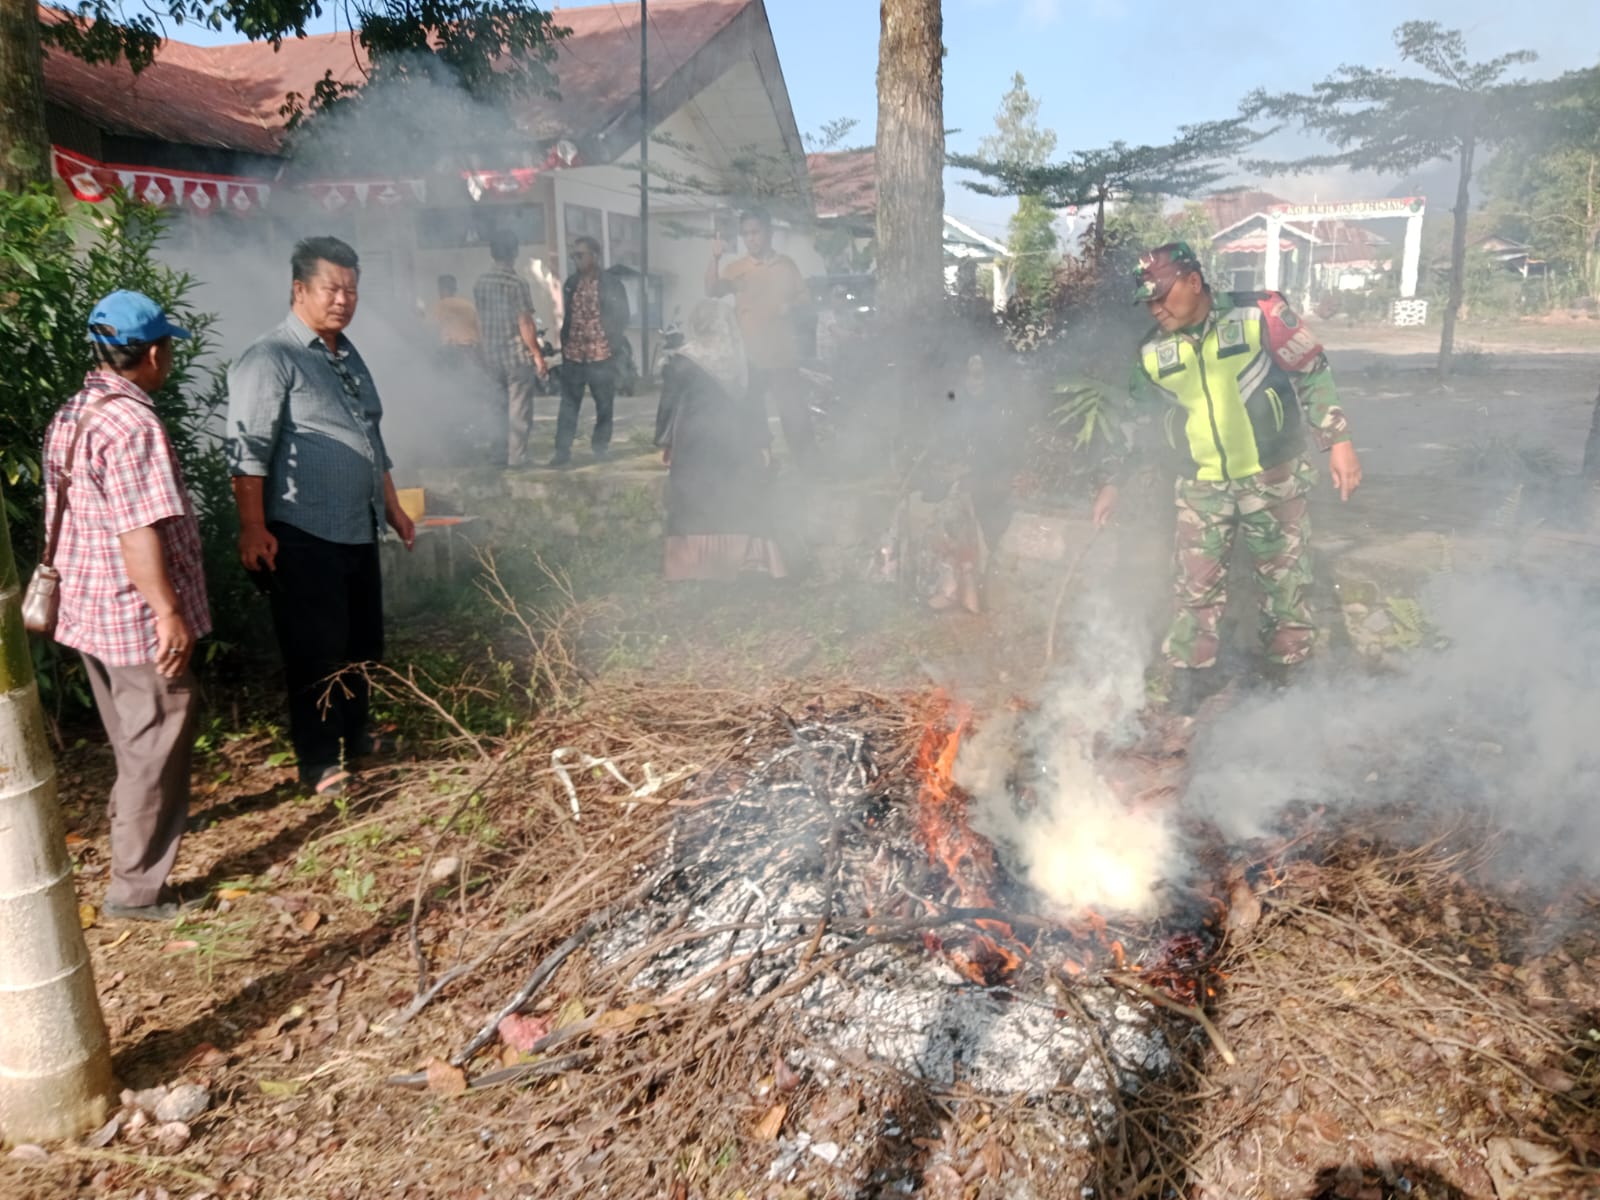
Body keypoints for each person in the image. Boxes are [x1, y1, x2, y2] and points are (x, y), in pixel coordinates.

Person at [1091, 241, 1363, 711]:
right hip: (1200, 487)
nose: (1154, 309)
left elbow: (1312, 370)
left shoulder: (1260, 314)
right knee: (1194, 589)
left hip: (1273, 476)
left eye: (1161, 296)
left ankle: (1288, 679)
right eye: (1147, 301)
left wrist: (1337, 440)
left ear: (1193, 282)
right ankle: (1190, 685)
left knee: (1285, 584)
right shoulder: (1152, 352)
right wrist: (1115, 480)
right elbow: (1137, 421)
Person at [225, 236, 416, 796]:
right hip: (303, 532)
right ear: (299, 289)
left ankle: (357, 736)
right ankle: (317, 759)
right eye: (332, 288)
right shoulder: (270, 357)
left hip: (358, 524)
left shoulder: (346, 353)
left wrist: (393, 504)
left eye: (352, 289)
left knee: (362, 642)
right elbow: (247, 451)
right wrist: (253, 526)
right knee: (316, 649)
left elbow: (370, 436)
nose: (343, 299)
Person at [44, 291, 210, 920]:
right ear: (154, 352)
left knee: (132, 740)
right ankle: (134, 889)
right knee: (156, 743)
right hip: (136, 619)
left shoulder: (76, 410)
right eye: (168, 348)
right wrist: (168, 612)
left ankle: (127, 842)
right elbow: (137, 530)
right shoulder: (134, 423)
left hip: (91, 613)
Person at [654, 299, 786, 581]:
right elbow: (755, 409)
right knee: (740, 498)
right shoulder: (744, 364)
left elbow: (668, 405)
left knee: (693, 500)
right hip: (736, 445)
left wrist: (666, 442)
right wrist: (763, 443)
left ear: (698, 325)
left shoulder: (681, 362)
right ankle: (748, 562)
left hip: (693, 444)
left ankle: (693, 568)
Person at [705, 208, 816, 466]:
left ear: (769, 233)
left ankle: (809, 467)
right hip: (750, 359)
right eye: (746, 234)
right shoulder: (736, 269)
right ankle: (761, 468)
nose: (751, 238)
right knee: (754, 418)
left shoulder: (786, 265)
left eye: (755, 232)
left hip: (783, 355)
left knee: (795, 415)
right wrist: (715, 258)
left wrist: (791, 306)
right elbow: (711, 290)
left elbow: (805, 299)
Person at [473, 231, 549, 469]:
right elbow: (525, 322)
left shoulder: (480, 283)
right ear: (514, 253)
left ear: (492, 253)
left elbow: (480, 320)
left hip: (491, 355)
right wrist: (537, 355)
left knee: (497, 406)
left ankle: (497, 454)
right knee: (519, 408)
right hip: (516, 356)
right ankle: (517, 458)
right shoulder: (517, 283)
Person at [553, 236, 630, 466]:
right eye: (573, 255)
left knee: (604, 405)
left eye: (580, 255)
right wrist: (565, 346)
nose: (575, 259)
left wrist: (612, 344)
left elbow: (622, 316)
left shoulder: (611, 284)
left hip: (601, 354)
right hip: (575, 355)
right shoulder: (570, 283)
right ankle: (561, 452)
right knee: (568, 405)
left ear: (594, 256)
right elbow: (568, 317)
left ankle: (600, 448)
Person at [429, 274, 480, 366]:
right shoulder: (469, 305)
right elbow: (479, 330)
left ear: (441, 289)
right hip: (471, 351)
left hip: (451, 351)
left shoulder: (441, 306)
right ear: (455, 289)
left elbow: (432, 330)